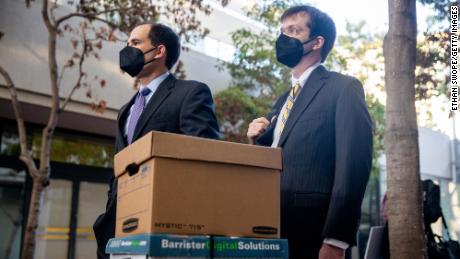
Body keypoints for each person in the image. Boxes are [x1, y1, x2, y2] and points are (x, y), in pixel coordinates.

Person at [246, 5, 373, 259]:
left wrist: (336, 239)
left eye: (294, 30)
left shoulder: (343, 88)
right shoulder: (283, 100)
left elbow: (353, 167)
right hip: (269, 229)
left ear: (317, 42)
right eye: (282, 31)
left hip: (313, 235)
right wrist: (256, 139)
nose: (284, 38)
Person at [93, 22, 220, 259]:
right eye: (127, 43)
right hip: (118, 230)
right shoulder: (125, 110)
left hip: (167, 228)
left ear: (159, 51)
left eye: (135, 43)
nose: (127, 49)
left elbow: (206, 156)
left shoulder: (191, 93)